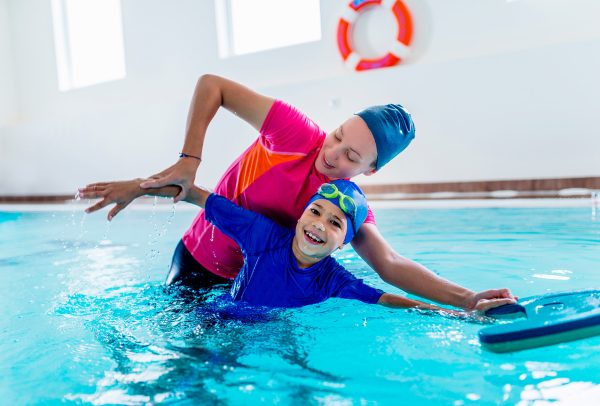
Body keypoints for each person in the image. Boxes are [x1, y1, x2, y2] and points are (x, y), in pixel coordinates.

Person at [79, 74, 516, 312]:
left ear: (371, 169)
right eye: (338, 135)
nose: (332, 154)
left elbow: (390, 264)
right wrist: (186, 162)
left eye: (351, 156)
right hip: (196, 262)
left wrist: (467, 298)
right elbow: (212, 85)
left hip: (247, 287)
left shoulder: (345, 205)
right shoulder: (294, 132)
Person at [80, 177, 511, 313]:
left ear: (344, 242)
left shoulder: (332, 278)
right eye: (316, 212)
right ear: (302, 214)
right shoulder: (264, 236)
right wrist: (138, 188)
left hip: (272, 331)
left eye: (336, 223)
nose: (320, 225)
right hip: (219, 319)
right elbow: (199, 196)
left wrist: (460, 310)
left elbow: (389, 300)